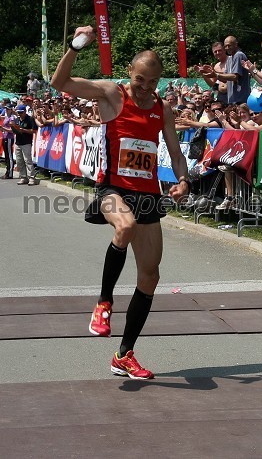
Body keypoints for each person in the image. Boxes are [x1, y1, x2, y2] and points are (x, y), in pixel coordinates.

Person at [51, 25, 190, 380]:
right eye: (140, 80)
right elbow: (60, 83)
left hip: (148, 196)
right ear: (130, 73)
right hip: (112, 188)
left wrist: (183, 178)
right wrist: (75, 46)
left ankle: (124, 354)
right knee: (124, 226)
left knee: (150, 276)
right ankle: (103, 303)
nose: (145, 89)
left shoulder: (163, 109)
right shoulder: (112, 94)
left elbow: (174, 152)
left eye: (152, 83)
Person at [12, 104, 38, 185]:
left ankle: (32, 178)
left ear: (25, 112)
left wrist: (23, 130)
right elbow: (14, 130)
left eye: (21, 112)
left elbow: (34, 130)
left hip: (26, 142)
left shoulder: (30, 119)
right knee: (19, 161)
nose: (20, 114)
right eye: (18, 113)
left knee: (28, 160)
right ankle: (23, 177)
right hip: (18, 142)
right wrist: (14, 128)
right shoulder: (17, 120)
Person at [0, 103, 15, 179]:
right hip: (5, 137)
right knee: (6, 155)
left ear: (11, 110)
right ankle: (7, 171)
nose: (6, 110)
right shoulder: (7, 117)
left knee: (9, 155)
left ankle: (10, 173)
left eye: (8, 109)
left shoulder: (12, 118)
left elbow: (12, 130)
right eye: (6, 108)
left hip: (9, 137)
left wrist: (3, 128)